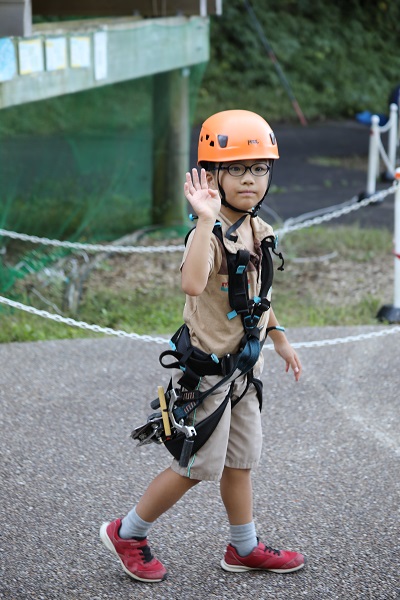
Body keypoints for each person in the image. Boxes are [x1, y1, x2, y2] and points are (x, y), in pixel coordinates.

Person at [100, 109, 305, 583]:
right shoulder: (206, 235)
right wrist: (204, 219)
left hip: (243, 373)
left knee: (240, 462)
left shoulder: (259, 230)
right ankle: (126, 532)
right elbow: (192, 284)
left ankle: (244, 547)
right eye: (235, 168)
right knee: (194, 466)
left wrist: (279, 337)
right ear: (213, 174)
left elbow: (259, 295)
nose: (250, 179)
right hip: (207, 375)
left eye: (259, 169)